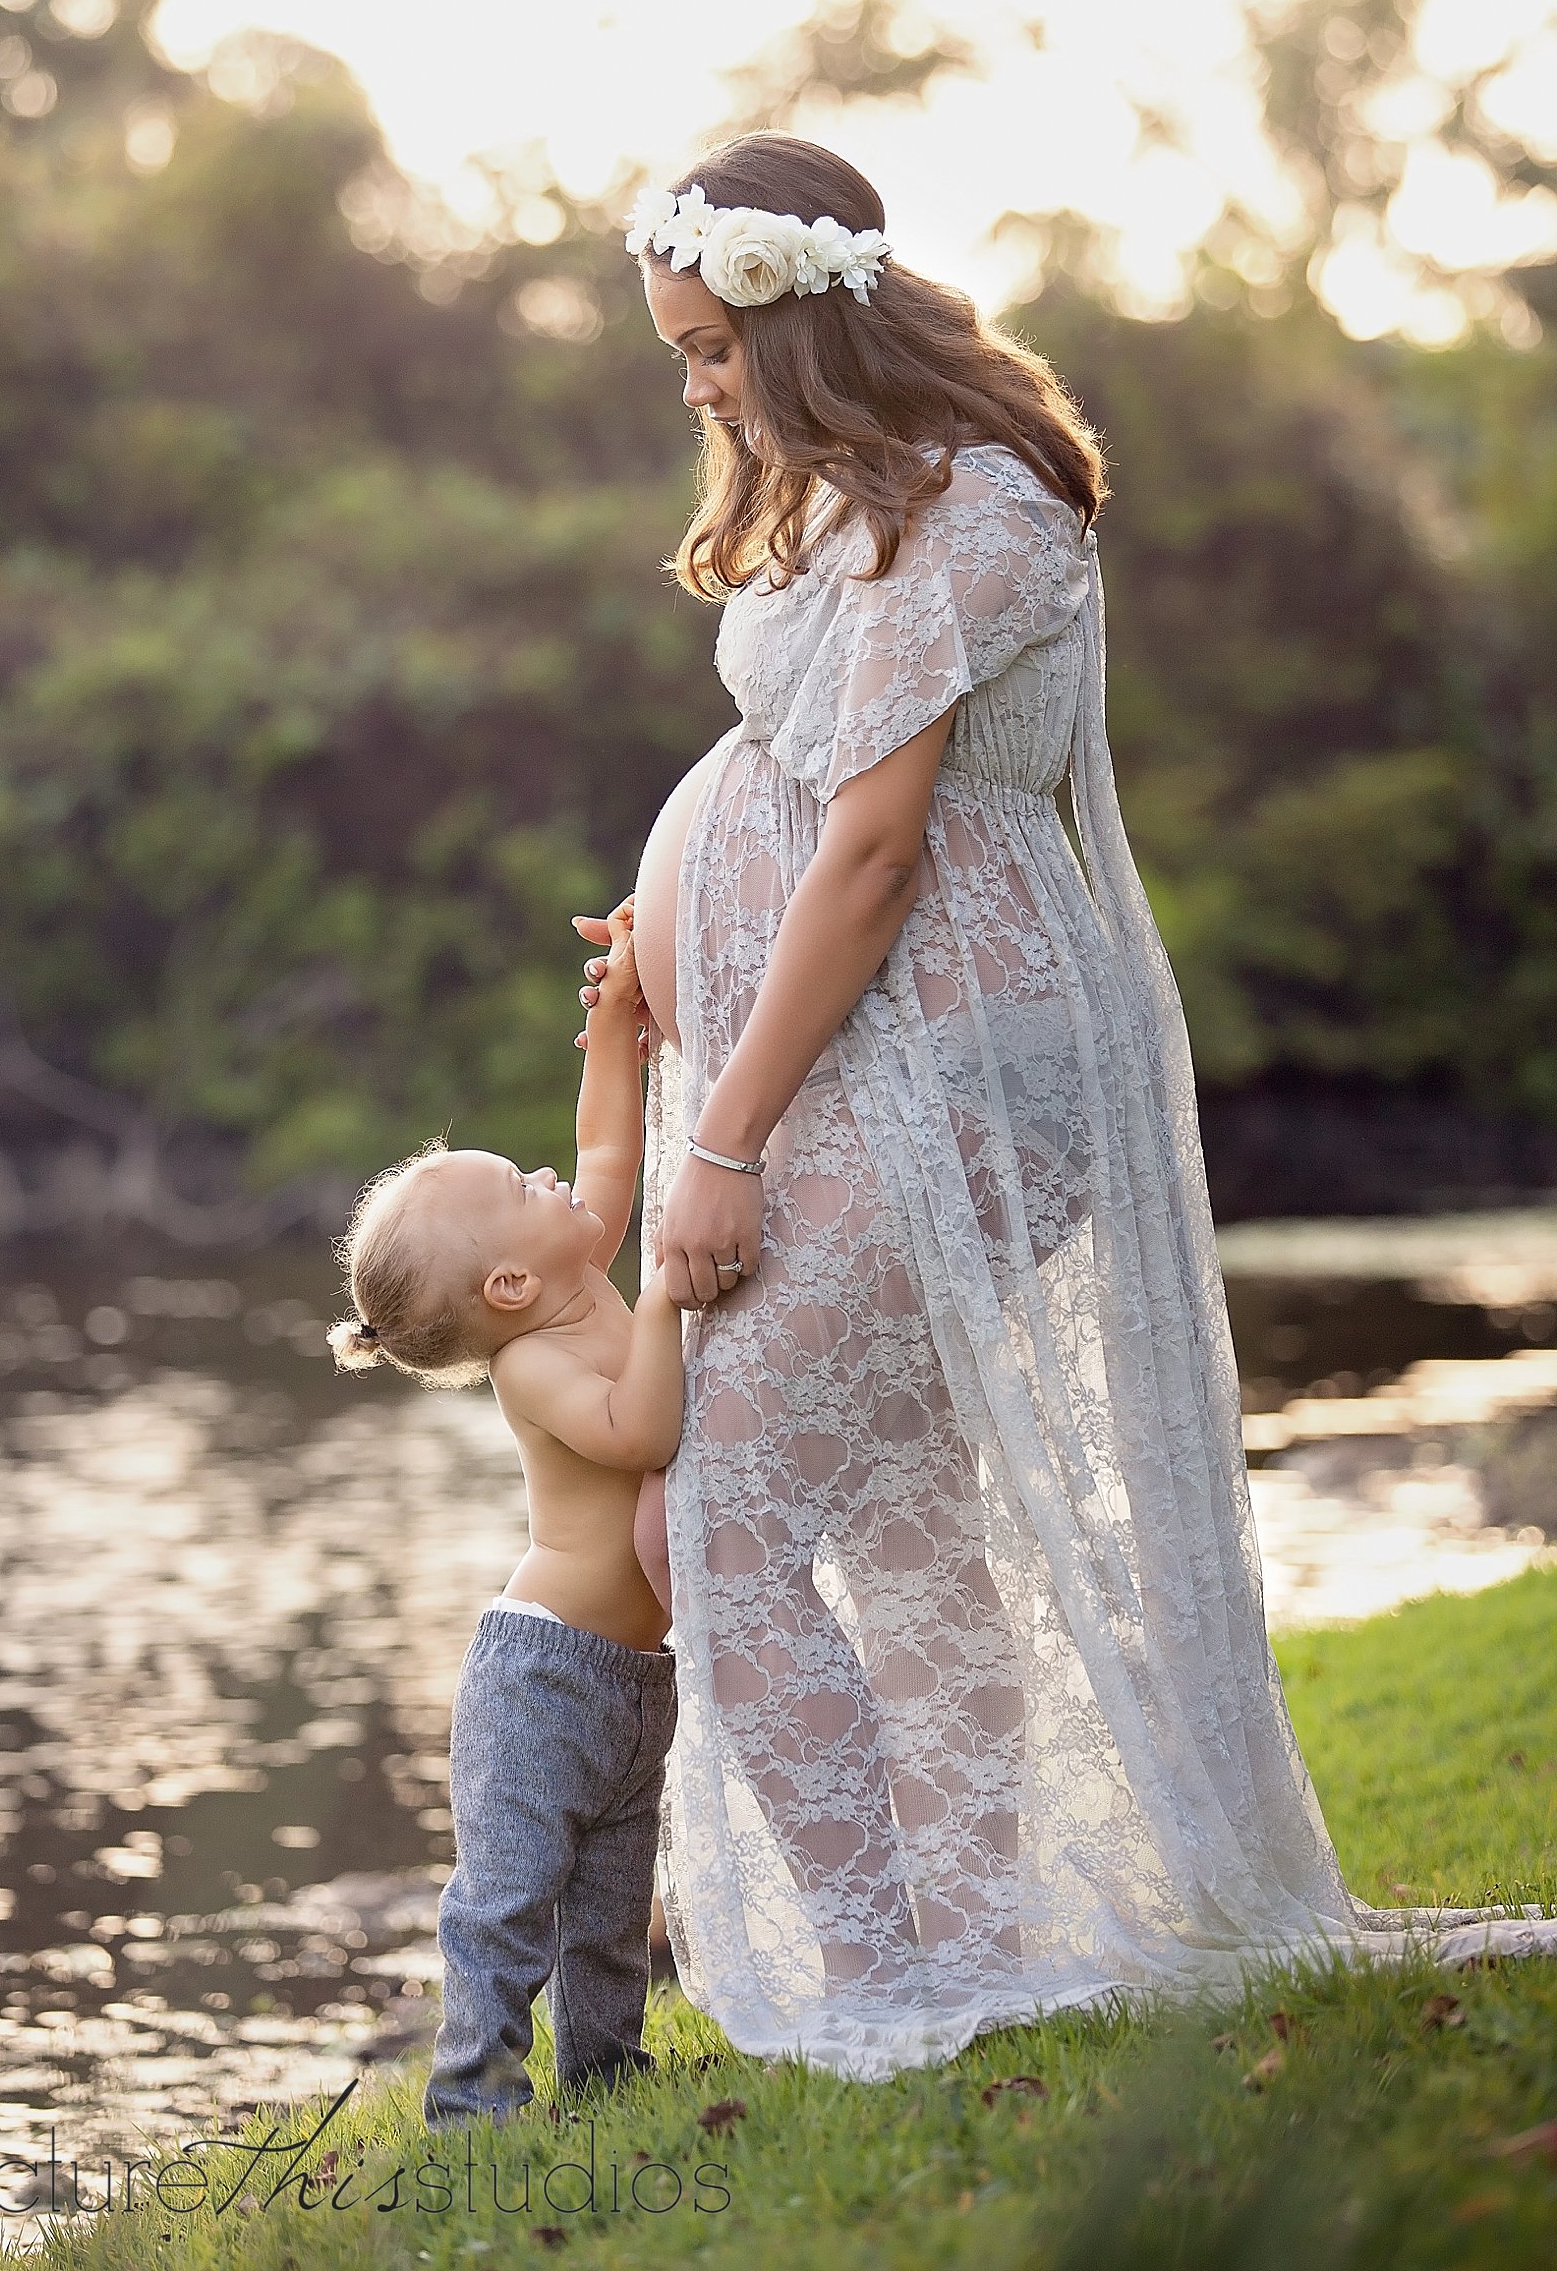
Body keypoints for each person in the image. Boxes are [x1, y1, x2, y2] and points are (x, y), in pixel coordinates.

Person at [577, 131, 1554, 2082]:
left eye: (705, 346)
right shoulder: (871, 495)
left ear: (800, 318)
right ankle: (962, 1923)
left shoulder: (976, 507)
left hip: (940, 1065)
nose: (690, 386)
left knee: (725, 1502)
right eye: (674, 349)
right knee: (913, 1504)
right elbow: (801, 800)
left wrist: (717, 1138)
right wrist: (682, 923)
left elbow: (866, 854)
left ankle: (881, 1966)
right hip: (879, 1061)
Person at [332, 902, 683, 2124]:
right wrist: (676, 1303)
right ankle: (472, 2100)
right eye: (516, 1184)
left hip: (632, 1676)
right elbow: (642, 1435)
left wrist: (618, 1018)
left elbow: (604, 1158)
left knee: (609, 1897)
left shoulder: (570, 1280)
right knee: (510, 1896)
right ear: (507, 1286)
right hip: (544, 1676)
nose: (546, 1173)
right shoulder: (537, 1363)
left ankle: (606, 2069)